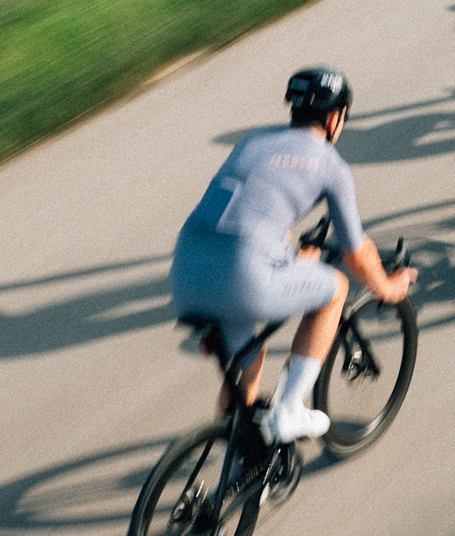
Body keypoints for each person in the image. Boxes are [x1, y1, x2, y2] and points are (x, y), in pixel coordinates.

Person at [170, 66, 416, 442]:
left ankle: (232, 463)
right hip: (244, 275)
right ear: (336, 118)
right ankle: (289, 411)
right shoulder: (331, 165)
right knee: (335, 287)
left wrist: (289, 259)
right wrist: (389, 288)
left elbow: (244, 211)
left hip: (186, 269)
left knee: (247, 364)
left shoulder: (252, 142)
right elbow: (356, 254)